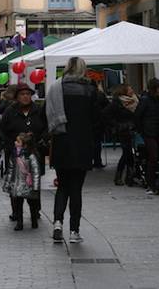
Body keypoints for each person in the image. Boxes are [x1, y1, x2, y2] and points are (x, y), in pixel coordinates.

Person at [45, 57, 99, 243]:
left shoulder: (55, 88)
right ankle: (74, 231)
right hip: (82, 144)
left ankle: (57, 222)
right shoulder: (90, 91)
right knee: (76, 189)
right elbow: (97, 118)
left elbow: (47, 114)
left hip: (61, 142)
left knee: (63, 187)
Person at [0, 83, 48, 222]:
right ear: (17, 97)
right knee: (16, 182)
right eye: (22, 94)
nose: (25, 96)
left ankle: (35, 210)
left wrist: (41, 140)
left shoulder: (38, 110)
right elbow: (2, 129)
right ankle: (16, 211)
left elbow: (46, 127)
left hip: (34, 153)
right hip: (16, 153)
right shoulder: (10, 111)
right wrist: (9, 144)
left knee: (34, 181)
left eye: (28, 94)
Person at [102, 84, 139, 186]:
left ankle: (128, 177)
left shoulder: (134, 100)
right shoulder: (117, 103)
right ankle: (122, 177)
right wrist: (116, 125)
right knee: (127, 153)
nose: (132, 90)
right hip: (123, 131)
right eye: (130, 89)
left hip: (132, 130)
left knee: (130, 154)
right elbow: (105, 114)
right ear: (124, 91)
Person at [2, 133, 41, 231]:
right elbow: (10, 169)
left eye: (18, 141)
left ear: (25, 145)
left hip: (28, 184)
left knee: (32, 204)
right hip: (18, 184)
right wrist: (8, 183)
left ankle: (34, 220)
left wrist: (36, 187)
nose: (15, 142)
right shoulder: (14, 155)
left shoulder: (30, 156)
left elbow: (36, 172)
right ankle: (20, 222)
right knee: (18, 204)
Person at [136, 78, 159, 195]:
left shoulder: (156, 99)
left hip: (156, 131)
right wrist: (142, 131)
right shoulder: (146, 100)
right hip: (149, 132)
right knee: (153, 157)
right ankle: (151, 183)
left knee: (154, 157)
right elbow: (138, 116)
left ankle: (153, 182)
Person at [92, 81, 110, 168]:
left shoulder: (85, 94)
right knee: (97, 142)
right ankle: (97, 161)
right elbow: (108, 106)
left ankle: (88, 162)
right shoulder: (100, 95)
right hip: (99, 122)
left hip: (87, 123)